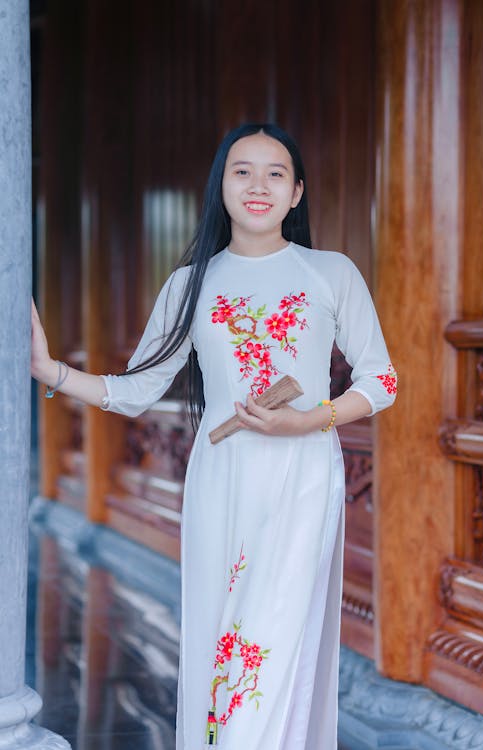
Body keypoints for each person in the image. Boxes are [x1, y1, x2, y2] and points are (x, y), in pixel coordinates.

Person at [31, 123, 397, 750]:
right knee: (220, 636)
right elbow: (138, 389)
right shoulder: (190, 284)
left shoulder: (330, 273)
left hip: (302, 476)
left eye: (276, 173)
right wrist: (51, 372)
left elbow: (382, 379)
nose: (259, 185)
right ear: (220, 188)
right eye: (242, 171)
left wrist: (308, 419)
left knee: (272, 636)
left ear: (298, 192)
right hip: (221, 478)